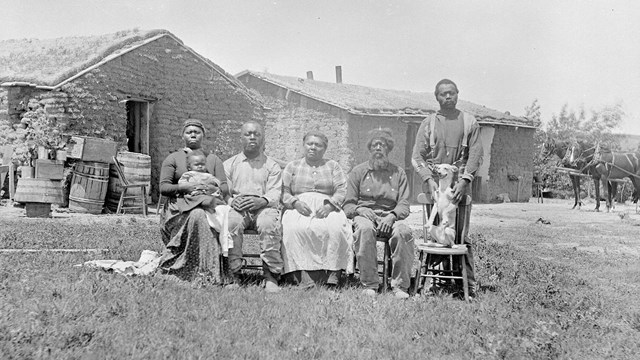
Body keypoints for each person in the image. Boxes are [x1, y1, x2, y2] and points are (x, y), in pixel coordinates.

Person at [411, 78, 483, 298]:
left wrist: (464, 181)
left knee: (460, 235)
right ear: (437, 97)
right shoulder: (429, 122)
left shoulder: (470, 122)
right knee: (436, 233)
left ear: (458, 94)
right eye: (443, 94)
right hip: (436, 187)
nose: (448, 97)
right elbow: (417, 156)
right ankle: (435, 283)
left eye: (452, 93)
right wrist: (428, 179)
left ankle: (466, 285)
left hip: (460, 186)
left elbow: (476, 154)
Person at [343, 128, 414, 299]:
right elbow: (348, 204)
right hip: (365, 215)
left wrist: (392, 216)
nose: (378, 148)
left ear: (388, 149)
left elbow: (404, 204)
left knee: (403, 232)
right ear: (369, 149)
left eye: (382, 145)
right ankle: (370, 284)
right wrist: (360, 209)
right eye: (374, 145)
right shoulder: (358, 172)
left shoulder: (398, 173)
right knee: (365, 230)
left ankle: (400, 286)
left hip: (390, 215)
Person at [158, 119, 228, 282]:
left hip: (208, 203)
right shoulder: (173, 158)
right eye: (189, 132)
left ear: (203, 135)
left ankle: (210, 270)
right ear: (183, 135)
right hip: (179, 207)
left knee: (204, 214)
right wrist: (187, 188)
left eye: (197, 132)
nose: (193, 135)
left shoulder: (213, 159)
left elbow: (224, 186)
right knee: (197, 215)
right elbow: (164, 188)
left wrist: (212, 190)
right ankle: (191, 270)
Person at [280, 131, 352, 288]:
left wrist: (330, 205)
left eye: (318, 145)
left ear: (325, 148)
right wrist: (295, 203)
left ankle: (333, 275)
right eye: (309, 144)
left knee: (335, 228)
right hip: (299, 205)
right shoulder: (292, 166)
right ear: (303, 145)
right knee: (293, 229)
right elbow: (284, 191)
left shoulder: (333, 166)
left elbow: (341, 190)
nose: (313, 147)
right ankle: (301, 277)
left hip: (327, 206)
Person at [224, 121, 284, 292]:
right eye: (248, 134)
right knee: (231, 224)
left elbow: (275, 193)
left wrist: (262, 201)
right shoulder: (230, 164)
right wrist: (231, 201)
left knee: (269, 225)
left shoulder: (271, 165)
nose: (252, 137)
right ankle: (234, 272)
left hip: (263, 207)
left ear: (262, 139)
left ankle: (271, 274)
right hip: (239, 207)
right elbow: (224, 192)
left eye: (256, 134)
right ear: (241, 138)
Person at [178, 151, 232, 256]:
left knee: (219, 204)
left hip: (207, 194)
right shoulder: (188, 175)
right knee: (195, 199)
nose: (199, 167)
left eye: (202, 164)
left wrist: (214, 186)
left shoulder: (208, 175)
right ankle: (207, 203)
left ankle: (212, 210)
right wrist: (190, 186)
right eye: (196, 165)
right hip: (194, 194)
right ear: (189, 167)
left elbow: (217, 183)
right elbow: (182, 184)